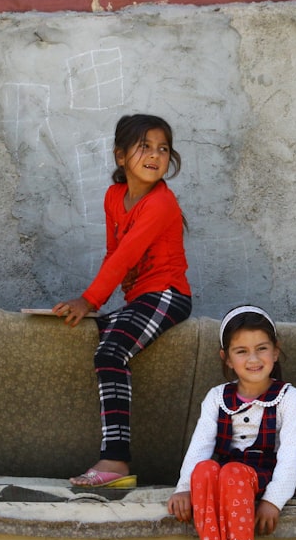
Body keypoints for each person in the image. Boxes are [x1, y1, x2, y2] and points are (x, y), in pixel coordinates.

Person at [52, 114, 192, 488]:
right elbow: (114, 253)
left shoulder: (160, 203)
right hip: (140, 300)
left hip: (168, 295)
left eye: (163, 149)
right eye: (144, 146)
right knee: (97, 336)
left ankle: (115, 460)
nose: (155, 155)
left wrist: (89, 299)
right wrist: (94, 307)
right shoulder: (114, 197)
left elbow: (126, 255)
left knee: (110, 353)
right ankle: (113, 458)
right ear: (120, 156)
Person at [166, 305, 296, 540]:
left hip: (259, 477)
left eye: (261, 349)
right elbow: (200, 444)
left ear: (276, 352)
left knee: (232, 472)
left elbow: (292, 453)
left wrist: (273, 501)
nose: (253, 359)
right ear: (226, 359)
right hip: (221, 475)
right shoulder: (217, 397)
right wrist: (183, 488)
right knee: (205, 469)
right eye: (241, 351)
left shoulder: (288, 398)